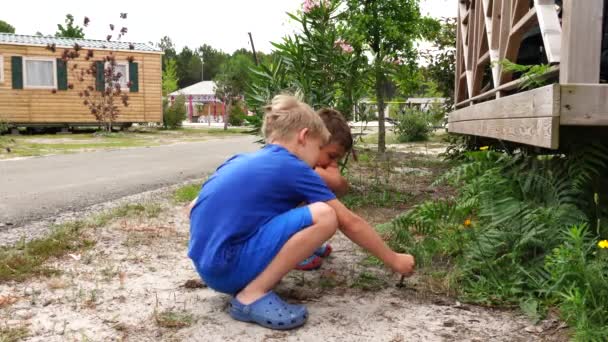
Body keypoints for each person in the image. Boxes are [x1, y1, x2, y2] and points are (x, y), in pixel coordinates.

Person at [188, 95, 415, 330]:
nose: (320, 159)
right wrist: (395, 259)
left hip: (209, 267)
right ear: (304, 137)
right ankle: (251, 295)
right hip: (229, 269)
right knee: (325, 215)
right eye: (319, 148)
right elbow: (349, 222)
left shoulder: (242, 160)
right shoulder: (294, 167)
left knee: (300, 211)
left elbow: (194, 207)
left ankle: (256, 276)